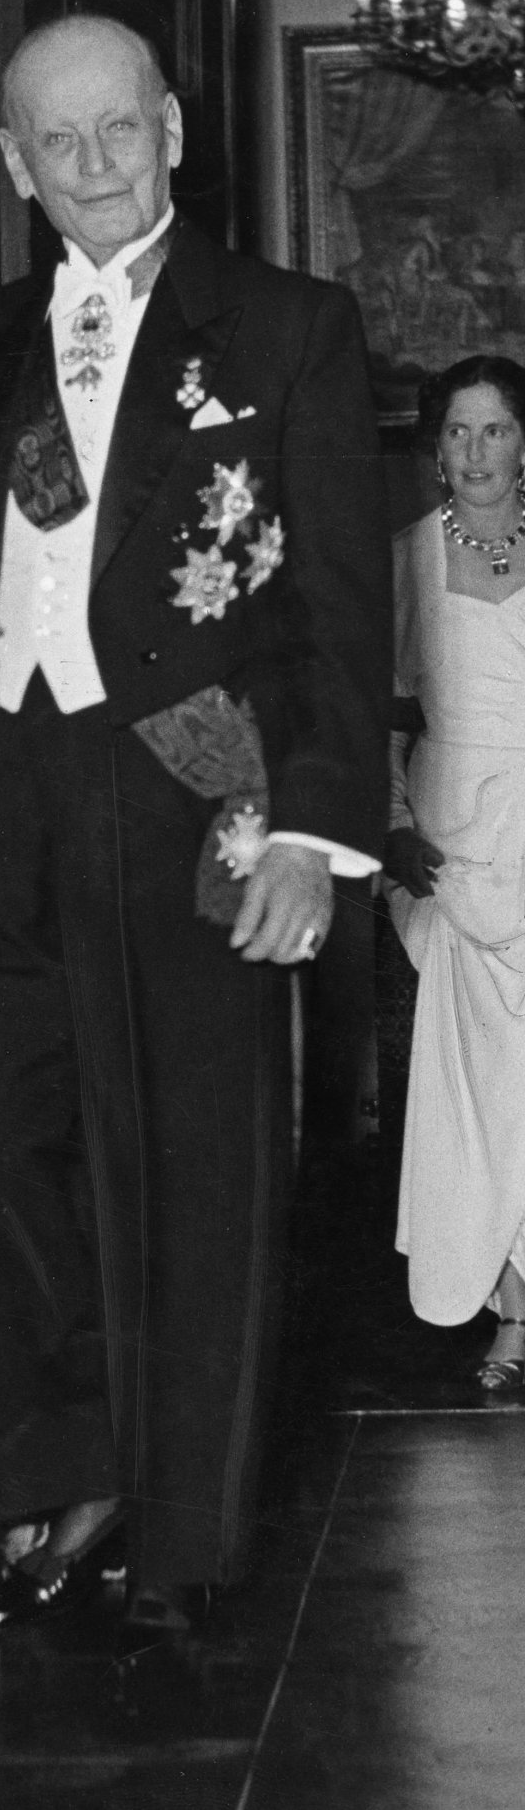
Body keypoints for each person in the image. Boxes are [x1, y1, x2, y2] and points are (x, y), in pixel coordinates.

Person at [0, 15, 390, 1632]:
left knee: (202, 1169)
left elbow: (345, 618)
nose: (91, 166)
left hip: (198, 783)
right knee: (0, 1149)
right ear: (11, 164)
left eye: (117, 133)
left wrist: (311, 831)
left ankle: (187, 1537)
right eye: (55, 143)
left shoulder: (287, 327)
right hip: (8, 793)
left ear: (171, 128)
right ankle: (66, 1473)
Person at [385, 355, 525, 1388]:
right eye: (458, 433)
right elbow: (380, 718)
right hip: (455, 851)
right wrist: (396, 828)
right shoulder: (407, 559)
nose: (474, 452)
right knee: (478, 1092)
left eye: (495, 431)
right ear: (436, 447)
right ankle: (510, 1312)